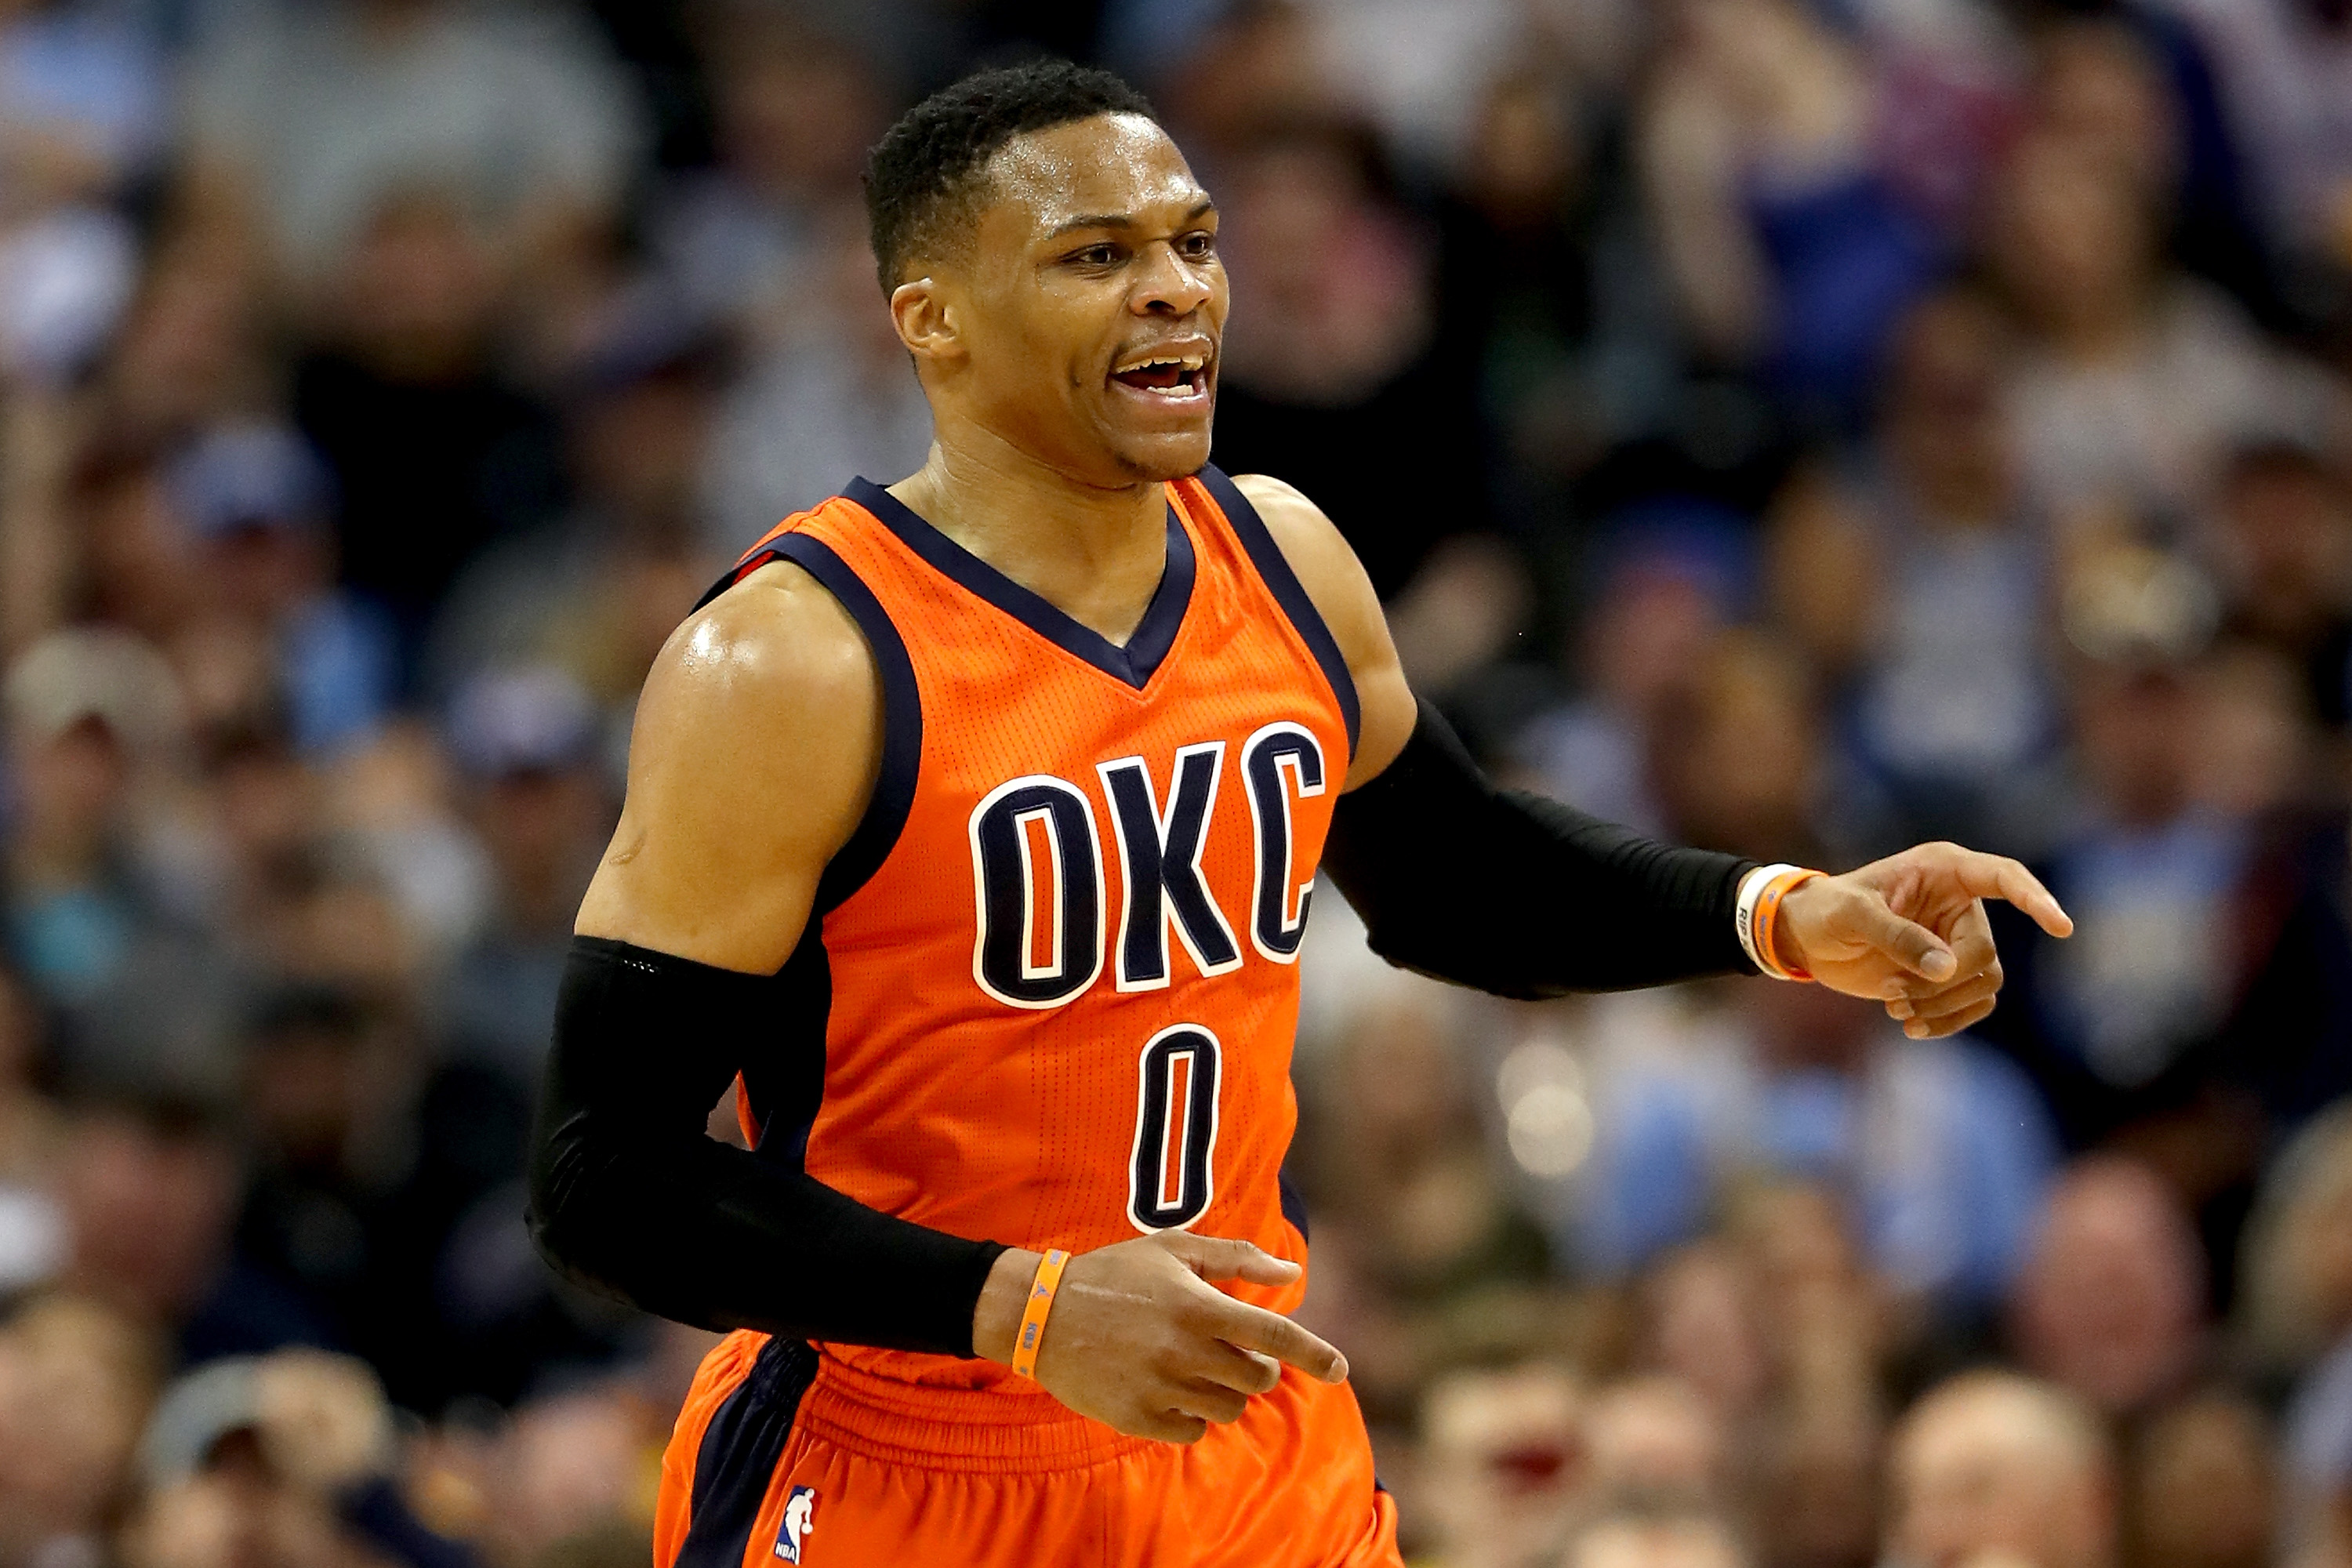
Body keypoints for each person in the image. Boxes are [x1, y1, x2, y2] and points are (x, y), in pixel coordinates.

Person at [524, 60, 2073, 1566]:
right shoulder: (791, 658)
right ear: (931, 322)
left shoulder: (1283, 557)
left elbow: (1457, 883)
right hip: (910, 1458)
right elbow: (605, 1176)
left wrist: (1775, 912)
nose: (1177, 289)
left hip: (1247, 1449)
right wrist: (1024, 1306)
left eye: (1194, 241)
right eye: (1097, 255)